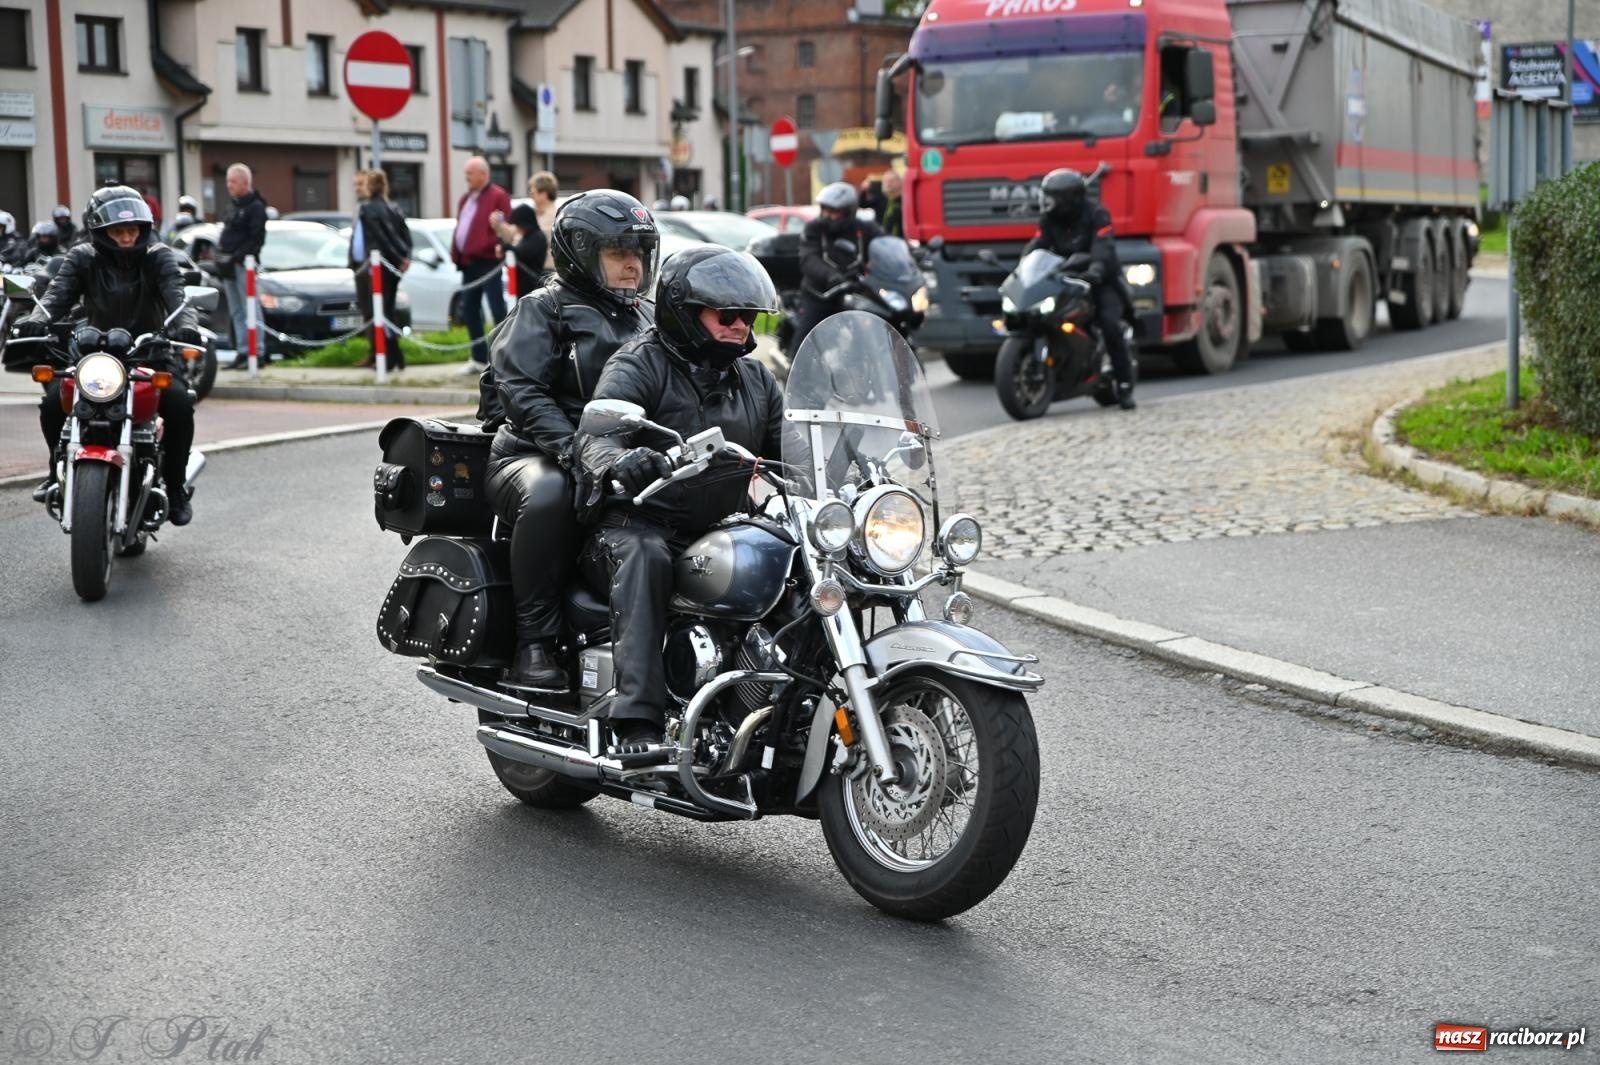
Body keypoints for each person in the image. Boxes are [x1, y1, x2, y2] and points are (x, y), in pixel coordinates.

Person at [574, 245, 784, 751]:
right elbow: (595, 438)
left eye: (748, 317)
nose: (740, 326)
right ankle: (637, 721)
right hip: (635, 526)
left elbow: (791, 451)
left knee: (790, 554)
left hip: (720, 526)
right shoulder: (639, 363)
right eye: (727, 315)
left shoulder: (756, 380)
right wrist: (620, 461)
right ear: (686, 314)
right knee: (646, 557)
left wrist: (851, 466)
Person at [480, 190, 659, 690]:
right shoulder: (544, 309)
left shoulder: (646, 316)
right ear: (582, 253)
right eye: (618, 253)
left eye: (639, 254)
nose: (632, 267)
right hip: (532, 454)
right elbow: (522, 393)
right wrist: (576, 450)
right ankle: (532, 642)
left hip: (617, 455)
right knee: (553, 494)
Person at [12, 186, 203, 522]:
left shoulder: (158, 256)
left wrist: (186, 325)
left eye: (132, 230)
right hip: (94, 354)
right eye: (118, 231)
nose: (127, 238)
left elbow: (177, 296)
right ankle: (56, 468)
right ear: (100, 232)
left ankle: (174, 487)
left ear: (143, 229)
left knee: (179, 403)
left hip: (149, 352)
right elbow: (57, 294)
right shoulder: (82, 257)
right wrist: (36, 319)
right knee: (53, 404)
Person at [1024, 167, 1136, 410]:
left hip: (1100, 279)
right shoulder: (1049, 219)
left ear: (1067, 199)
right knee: (1040, 316)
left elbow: (1103, 245)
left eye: (1051, 197)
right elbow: (1039, 243)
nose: (1046, 202)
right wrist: (1024, 266)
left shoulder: (1097, 214)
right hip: (1065, 278)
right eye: (1046, 196)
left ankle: (1125, 384)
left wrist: (1096, 268)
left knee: (1109, 324)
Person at [791, 181, 882, 353]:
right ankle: (793, 373)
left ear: (849, 212)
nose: (827, 215)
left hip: (856, 291)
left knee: (873, 328)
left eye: (833, 211)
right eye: (824, 209)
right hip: (821, 294)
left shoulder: (864, 228)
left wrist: (909, 253)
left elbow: (885, 243)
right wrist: (831, 276)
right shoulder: (814, 229)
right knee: (806, 337)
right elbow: (809, 258)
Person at [451, 156, 511, 375]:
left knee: (497, 309)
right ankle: (478, 358)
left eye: (470, 174)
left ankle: (502, 358)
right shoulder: (466, 198)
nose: (466, 178)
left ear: (483, 175)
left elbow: (506, 225)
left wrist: (497, 245)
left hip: (488, 262)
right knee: (470, 310)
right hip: (468, 263)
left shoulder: (497, 196)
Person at [349, 169, 414, 370]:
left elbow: (382, 237)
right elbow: (404, 236)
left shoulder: (369, 210)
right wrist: (404, 256)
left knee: (380, 311)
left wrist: (398, 256)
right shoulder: (393, 208)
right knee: (386, 311)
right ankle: (393, 356)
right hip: (388, 266)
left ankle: (388, 356)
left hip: (378, 267)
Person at [216, 163, 268, 370]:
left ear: (245, 183)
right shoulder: (233, 205)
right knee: (236, 310)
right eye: (228, 181)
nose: (229, 185)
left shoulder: (255, 207)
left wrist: (238, 256)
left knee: (251, 309)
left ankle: (259, 351)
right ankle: (243, 351)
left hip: (243, 265)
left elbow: (257, 238)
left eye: (233, 181)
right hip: (227, 263)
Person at [494, 203, 548, 296]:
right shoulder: (525, 237)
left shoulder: (537, 237)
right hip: (521, 286)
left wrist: (506, 247)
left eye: (519, 225)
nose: (517, 228)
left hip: (531, 288)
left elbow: (523, 253)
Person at [877, 170, 904, 238]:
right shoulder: (881, 199)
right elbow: (863, 204)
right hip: (883, 238)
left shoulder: (905, 200)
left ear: (900, 182)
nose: (888, 184)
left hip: (900, 239)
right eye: (886, 181)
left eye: (891, 181)